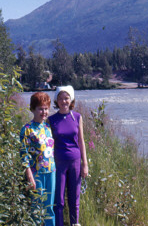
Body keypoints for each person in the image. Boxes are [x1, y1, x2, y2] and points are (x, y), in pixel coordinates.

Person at [48, 85, 88, 226]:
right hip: (58, 163)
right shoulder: (51, 120)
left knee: (74, 198)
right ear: (56, 101)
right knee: (58, 200)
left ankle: (74, 223)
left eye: (66, 98)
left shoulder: (77, 117)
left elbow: (81, 141)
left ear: (71, 100)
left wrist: (85, 164)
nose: (64, 101)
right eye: (61, 98)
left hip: (75, 162)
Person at [20, 92, 56, 226]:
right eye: (40, 108)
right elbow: (24, 155)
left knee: (49, 209)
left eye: (46, 108)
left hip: (51, 172)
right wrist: (30, 176)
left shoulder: (47, 127)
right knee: (36, 210)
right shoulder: (27, 129)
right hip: (37, 174)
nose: (44, 112)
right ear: (33, 109)